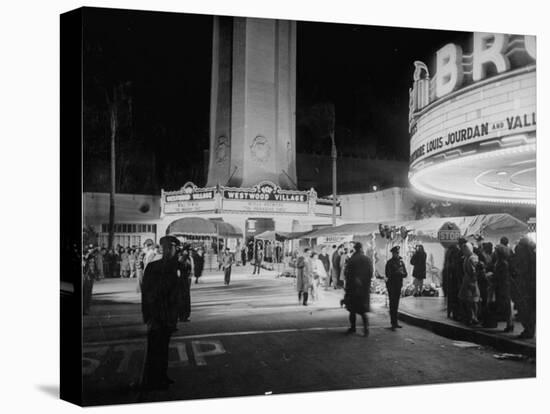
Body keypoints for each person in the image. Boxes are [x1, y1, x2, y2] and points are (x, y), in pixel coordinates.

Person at [141, 236, 180, 391]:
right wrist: (148, 315)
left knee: (164, 348)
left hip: (169, 316)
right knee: (154, 349)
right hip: (157, 315)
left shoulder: (175, 267)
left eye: (172, 248)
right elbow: (146, 292)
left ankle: (162, 376)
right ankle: (151, 380)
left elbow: (179, 293)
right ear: (163, 249)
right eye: (167, 247)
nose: (170, 250)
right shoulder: (153, 266)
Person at [343, 242, 373, 337]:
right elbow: (370, 274)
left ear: (355, 249)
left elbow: (347, 274)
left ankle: (353, 327)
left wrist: (347, 289)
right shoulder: (367, 259)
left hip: (353, 288)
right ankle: (366, 329)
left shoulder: (352, 259)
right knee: (363, 311)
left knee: (352, 310)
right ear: (361, 248)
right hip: (364, 289)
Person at [511, 237, 536, 339]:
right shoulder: (532, 256)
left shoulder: (526, 257)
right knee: (529, 311)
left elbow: (522, 272)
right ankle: (529, 330)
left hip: (526, 288)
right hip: (529, 288)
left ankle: (529, 331)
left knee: (526, 310)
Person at [492, 244, 514, 332]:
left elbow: (502, 276)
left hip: (503, 286)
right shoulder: (500, 262)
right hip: (502, 286)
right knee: (505, 305)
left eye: (496, 251)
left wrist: (494, 277)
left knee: (507, 305)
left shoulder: (502, 263)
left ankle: (510, 324)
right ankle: (509, 324)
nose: (495, 253)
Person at [385, 245, 407, 330]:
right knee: (392, 304)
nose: (397, 254)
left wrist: (401, 273)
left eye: (397, 253)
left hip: (398, 285)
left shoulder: (401, 262)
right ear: (392, 253)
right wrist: (398, 272)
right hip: (391, 285)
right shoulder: (389, 263)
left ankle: (395, 322)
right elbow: (388, 274)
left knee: (396, 304)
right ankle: (393, 322)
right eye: (395, 253)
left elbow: (405, 274)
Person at [458, 242, 481, 325]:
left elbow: (474, 271)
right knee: (469, 300)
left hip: (471, 281)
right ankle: (471, 316)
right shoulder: (467, 257)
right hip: (467, 280)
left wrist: (473, 281)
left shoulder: (472, 258)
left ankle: (474, 317)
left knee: (472, 300)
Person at [176, 246, 193, 322]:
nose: (188, 252)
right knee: (182, 298)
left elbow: (190, 269)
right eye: (186, 251)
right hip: (181, 280)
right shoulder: (181, 259)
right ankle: (182, 316)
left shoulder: (188, 259)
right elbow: (178, 270)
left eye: (188, 251)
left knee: (186, 298)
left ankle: (185, 315)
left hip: (186, 280)